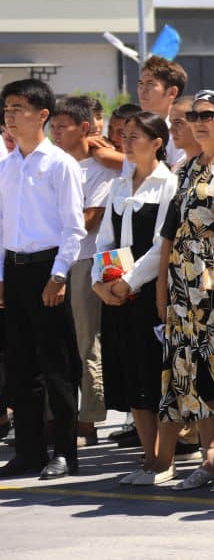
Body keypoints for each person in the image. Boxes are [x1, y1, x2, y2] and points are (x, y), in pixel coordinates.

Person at [128, 90, 214, 489]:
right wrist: (162, 290)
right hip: (184, 290)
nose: (199, 122)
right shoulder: (184, 170)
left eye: (208, 114)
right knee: (194, 375)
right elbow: (169, 233)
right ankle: (211, 459)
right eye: (193, 115)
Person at [0, 79, 85, 480]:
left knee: (57, 366)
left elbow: (74, 228)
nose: (11, 115)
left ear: (42, 115)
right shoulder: (8, 166)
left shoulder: (60, 164)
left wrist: (58, 274)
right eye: (7, 108)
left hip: (47, 268)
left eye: (19, 108)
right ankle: (29, 450)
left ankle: (65, 451)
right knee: (19, 366)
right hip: (14, 270)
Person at [93, 111, 177, 484]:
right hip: (118, 293)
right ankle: (148, 457)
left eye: (135, 137)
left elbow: (163, 244)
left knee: (157, 373)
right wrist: (101, 280)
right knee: (132, 375)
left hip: (150, 293)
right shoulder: (118, 184)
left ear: (157, 142)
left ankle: (166, 459)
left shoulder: (168, 184)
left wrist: (129, 281)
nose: (126, 143)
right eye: (123, 136)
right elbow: (105, 240)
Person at [49, 96, 117, 447]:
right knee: (58, 341)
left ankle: (89, 419)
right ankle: (58, 414)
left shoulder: (100, 167)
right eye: (53, 126)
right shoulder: (54, 165)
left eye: (64, 127)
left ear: (85, 128)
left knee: (87, 340)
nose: (56, 133)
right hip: (56, 259)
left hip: (88, 260)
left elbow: (92, 219)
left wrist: (53, 226)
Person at [136, 56, 188, 166]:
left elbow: (180, 175)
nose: (142, 90)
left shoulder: (183, 131)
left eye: (150, 84)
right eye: (141, 83)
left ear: (172, 92)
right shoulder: (133, 128)